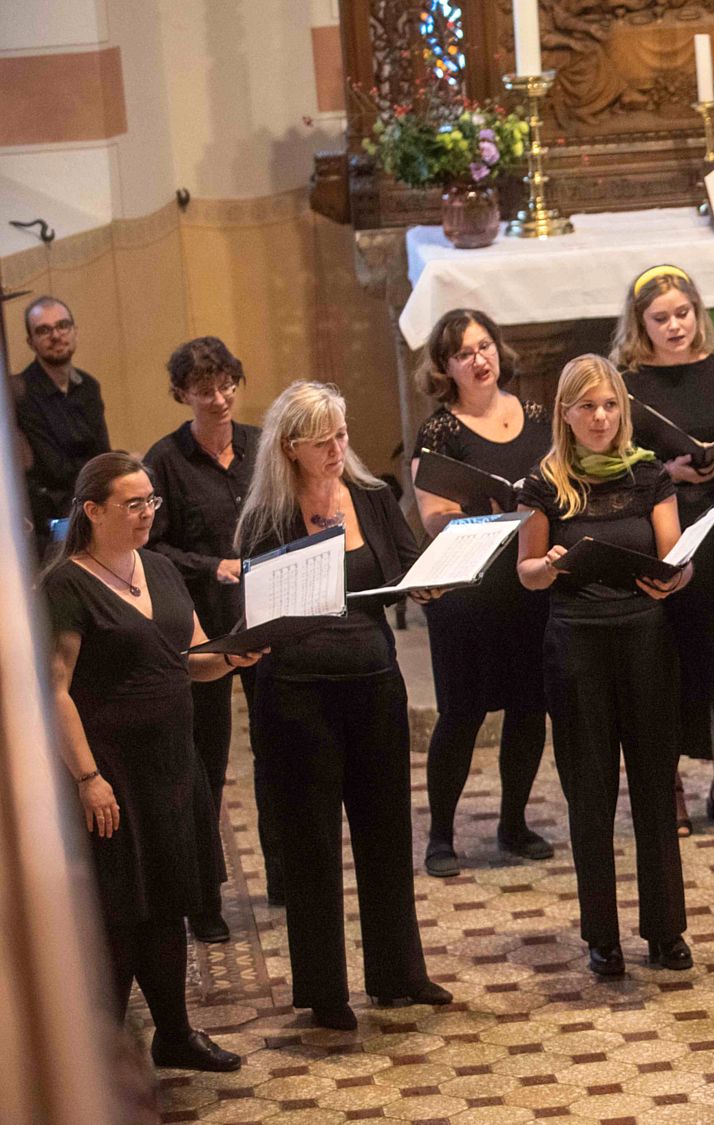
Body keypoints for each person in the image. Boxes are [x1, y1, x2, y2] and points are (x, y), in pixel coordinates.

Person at [237, 381, 451, 1029]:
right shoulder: (265, 518)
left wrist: (433, 586)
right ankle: (325, 989)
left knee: (386, 828)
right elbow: (255, 612)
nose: (338, 447)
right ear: (290, 447)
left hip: (375, 681)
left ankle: (397, 972)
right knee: (312, 840)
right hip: (298, 694)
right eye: (324, 438)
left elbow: (412, 571)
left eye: (343, 433)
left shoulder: (375, 498)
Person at [44, 452, 262, 1072]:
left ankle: (174, 1035)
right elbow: (55, 689)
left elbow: (189, 658)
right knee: (116, 914)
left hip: (172, 766)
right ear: (92, 511)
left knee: (168, 900)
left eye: (151, 503)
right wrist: (87, 779)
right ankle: (99, 1057)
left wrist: (231, 657)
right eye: (133, 504)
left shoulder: (162, 569)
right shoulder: (66, 584)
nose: (146, 514)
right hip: (111, 772)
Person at [518, 354, 696, 976]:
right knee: (589, 792)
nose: (600, 417)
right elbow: (528, 572)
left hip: (645, 640)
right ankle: (602, 936)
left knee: (654, 784)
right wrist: (553, 565)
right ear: (566, 414)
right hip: (576, 648)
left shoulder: (649, 476)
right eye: (587, 406)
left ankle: (665, 930)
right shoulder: (544, 484)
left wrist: (677, 577)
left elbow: (677, 555)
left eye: (609, 405)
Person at [615, 267, 714, 835]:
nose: (675, 326)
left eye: (683, 314)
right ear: (640, 324)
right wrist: (664, 470)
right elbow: (613, 455)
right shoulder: (629, 381)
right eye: (661, 319)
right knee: (668, 655)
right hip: (661, 523)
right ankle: (670, 785)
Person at [411, 309, 554, 876]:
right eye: (465, 352)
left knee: (528, 707)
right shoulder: (439, 431)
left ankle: (513, 824)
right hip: (470, 587)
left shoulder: (539, 415)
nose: (479, 359)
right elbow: (433, 516)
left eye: (485, 346)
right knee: (462, 714)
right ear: (446, 367)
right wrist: (490, 514)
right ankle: (440, 835)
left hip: (529, 581)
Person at [142, 337, 266, 941]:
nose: (218, 399)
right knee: (206, 769)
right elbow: (151, 547)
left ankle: (289, 877)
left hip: (265, 619)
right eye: (204, 390)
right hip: (202, 630)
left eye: (227, 386)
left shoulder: (259, 446)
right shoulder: (164, 460)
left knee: (282, 753)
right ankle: (204, 900)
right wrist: (211, 565)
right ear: (182, 394)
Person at [14, 296, 110, 552]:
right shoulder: (20, 394)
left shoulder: (89, 386)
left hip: (90, 505)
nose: (56, 335)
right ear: (30, 342)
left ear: (74, 331)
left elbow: (102, 456)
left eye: (62, 326)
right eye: (44, 330)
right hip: (49, 522)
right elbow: (53, 469)